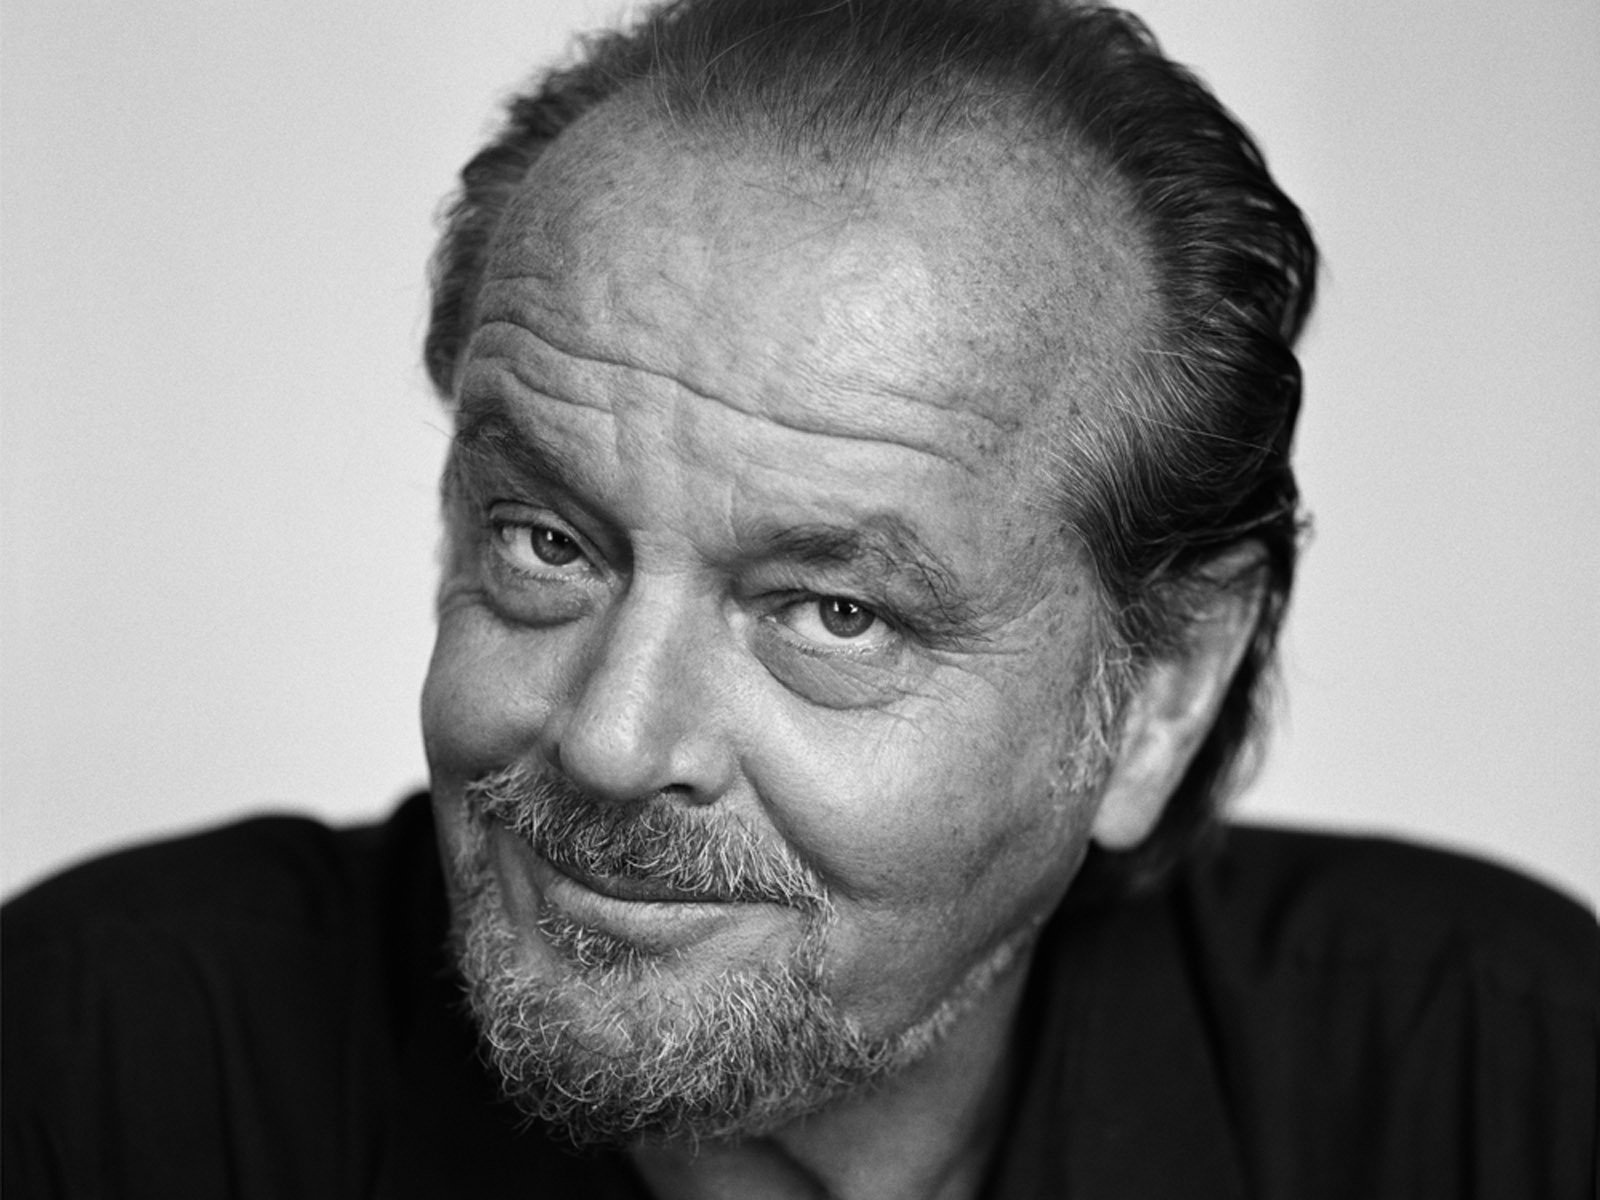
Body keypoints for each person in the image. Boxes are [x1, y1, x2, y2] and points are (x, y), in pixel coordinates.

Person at [4, 0, 1595, 1196]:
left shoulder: (1494, 1082)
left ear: (1161, 692)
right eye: (547, 542)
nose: (613, 742)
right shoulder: (97, 1069)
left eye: (835, 613)